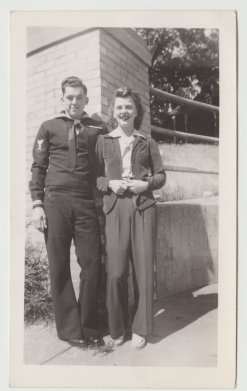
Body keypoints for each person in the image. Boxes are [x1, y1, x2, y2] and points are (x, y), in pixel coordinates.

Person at [29, 76, 108, 348]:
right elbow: (38, 167)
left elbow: (109, 163)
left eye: (79, 97)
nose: (74, 102)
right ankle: (70, 329)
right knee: (59, 264)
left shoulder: (98, 128)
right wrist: (37, 204)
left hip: (86, 202)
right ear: (62, 99)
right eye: (69, 97)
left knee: (91, 263)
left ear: (86, 99)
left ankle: (90, 325)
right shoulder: (49, 127)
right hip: (55, 202)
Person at [95, 88, 166, 350]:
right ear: (113, 112)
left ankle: (140, 328)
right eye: (119, 107)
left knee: (144, 270)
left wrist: (144, 184)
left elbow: (161, 176)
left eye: (128, 107)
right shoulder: (104, 142)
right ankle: (118, 327)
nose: (124, 111)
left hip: (144, 207)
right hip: (115, 208)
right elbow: (96, 178)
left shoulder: (147, 142)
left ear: (137, 112)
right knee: (115, 272)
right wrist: (109, 183)